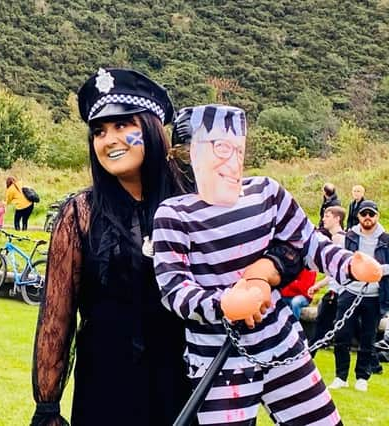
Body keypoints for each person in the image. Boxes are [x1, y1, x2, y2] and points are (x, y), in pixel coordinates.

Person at [29, 70, 297, 426]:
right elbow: (56, 316)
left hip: (194, 377)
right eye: (99, 131)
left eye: (124, 125)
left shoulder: (203, 198)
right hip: (108, 386)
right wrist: (48, 408)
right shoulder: (79, 214)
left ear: (153, 129)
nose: (110, 140)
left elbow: (290, 243)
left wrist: (261, 278)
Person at [152, 104, 380, 425]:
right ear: (187, 154)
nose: (231, 158)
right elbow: (174, 288)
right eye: (219, 148)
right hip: (218, 362)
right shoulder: (174, 215)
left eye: (236, 148)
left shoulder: (266, 193)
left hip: (282, 346)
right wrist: (224, 304)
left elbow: (308, 242)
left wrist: (348, 264)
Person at [329, 200, 389, 392]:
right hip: (350, 291)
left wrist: (379, 269)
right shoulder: (350, 237)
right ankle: (341, 376)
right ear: (359, 217)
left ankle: (362, 376)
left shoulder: (386, 240)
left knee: (368, 337)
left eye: (371, 214)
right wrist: (338, 288)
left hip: (374, 295)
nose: (368, 218)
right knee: (342, 334)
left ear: (377, 216)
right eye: (364, 214)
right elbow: (338, 262)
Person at [308, 205, 347, 357]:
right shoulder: (335, 237)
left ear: (337, 219)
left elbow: (336, 267)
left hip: (337, 291)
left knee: (322, 324)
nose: (323, 219)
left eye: (327, 216)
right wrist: (319, 285)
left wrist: (318, 285)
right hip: (335, 290)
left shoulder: (338, 239)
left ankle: (308, 355)